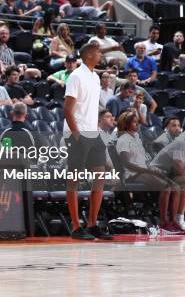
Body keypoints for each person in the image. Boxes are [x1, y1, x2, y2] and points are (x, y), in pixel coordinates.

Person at [64, 42, 113, 240]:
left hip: (93, 133)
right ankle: (76, 226)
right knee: (73, 179)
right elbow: (67, 109)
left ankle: (92, 224)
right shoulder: (76, 76)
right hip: (77, 134)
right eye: (98, 52)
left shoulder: (95, 77)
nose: (101, 54)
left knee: (100, 175)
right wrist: (76, 135)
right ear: (89, 55)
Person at [149, 122, 185, 234]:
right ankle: (167, 222)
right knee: (181, 183)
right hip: (156, 172)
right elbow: (179, 170)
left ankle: (184, 220)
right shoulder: (181, 143)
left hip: (171, 174)